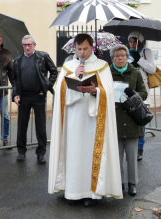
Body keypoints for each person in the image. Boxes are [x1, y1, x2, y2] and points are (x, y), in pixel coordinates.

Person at [48, 33, 122, 207]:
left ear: (92, 47)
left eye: (85, 49)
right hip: (73, 118)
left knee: (90, 154)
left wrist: (95, 91)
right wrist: (74, 76)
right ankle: (73, 191)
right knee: (74, 153)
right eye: (79, 49)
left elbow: (109, 92)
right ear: (75, 47)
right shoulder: (68, 66)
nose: (82, 53)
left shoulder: (102, 66)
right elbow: (59, 91)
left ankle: (91, 193)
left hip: (93, 121)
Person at [13, 35, 58, 164]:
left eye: (29, 44)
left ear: (34, 45)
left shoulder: (42, 56)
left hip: (39, 96)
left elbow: (54, 71)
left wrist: (47, 87)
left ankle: (41, 153)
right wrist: (15, 94)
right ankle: (21, 152)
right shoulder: (17, 60)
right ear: (22, 46)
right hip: (24, 97)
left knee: (41, 126)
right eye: (25, 45)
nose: (27, 47)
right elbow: (15, 79)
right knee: (22, 125)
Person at [110, 44, 147, 196]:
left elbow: (144, 93)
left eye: (123, 55)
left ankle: (132, 184)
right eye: (117, 56)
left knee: (132, 156)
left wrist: (133, 94)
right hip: (115, 119)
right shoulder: (107, 73)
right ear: (112, 58)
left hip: (132, 119)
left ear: (127, 57)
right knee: (117, 155)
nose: (120, 58)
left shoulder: (135, 72)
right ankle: (118, 183)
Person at [127, 31, 156, 161]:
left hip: (141, 89)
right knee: (128, 118)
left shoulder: (146, 52)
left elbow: (152, 69)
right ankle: (129, 148)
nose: (132, 44)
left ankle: (140, 148)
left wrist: (140, 60)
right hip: (127, 89)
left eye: (135, 41)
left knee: (140, 118)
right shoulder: (125, 51)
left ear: (140, 41)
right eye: (131, 41)